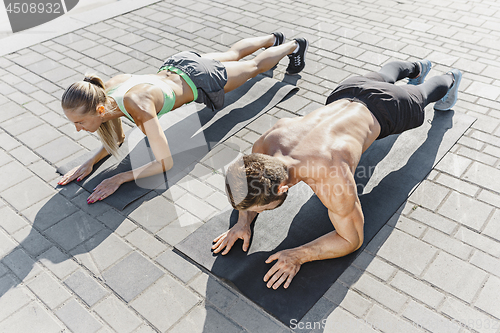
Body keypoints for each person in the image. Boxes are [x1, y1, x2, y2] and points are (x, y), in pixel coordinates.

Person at [213, 59, 462, 289]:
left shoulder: (332, 177)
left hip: (389, 107)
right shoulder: (266, 146)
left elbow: (351, 239)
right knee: (385, 74)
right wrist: (242, 223)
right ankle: (417, 66)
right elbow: (251, 182)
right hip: (347, 89)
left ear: (282, 188)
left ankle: (451, 76)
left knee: (423, 93)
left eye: (260, 209)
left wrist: (300, 254)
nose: (256, 212)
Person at [57, 33, 309, 204]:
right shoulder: (106, 90)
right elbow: (119, 137)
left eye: (79, 122)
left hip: (201, 79)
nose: (78, 130)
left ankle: (293, 46)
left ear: (99, 111)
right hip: (179, 63)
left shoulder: (140, 109)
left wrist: (120, 177)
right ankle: (273, 38)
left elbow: (164, 162)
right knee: (232, 53)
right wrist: (90, 162)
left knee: (254, 67)